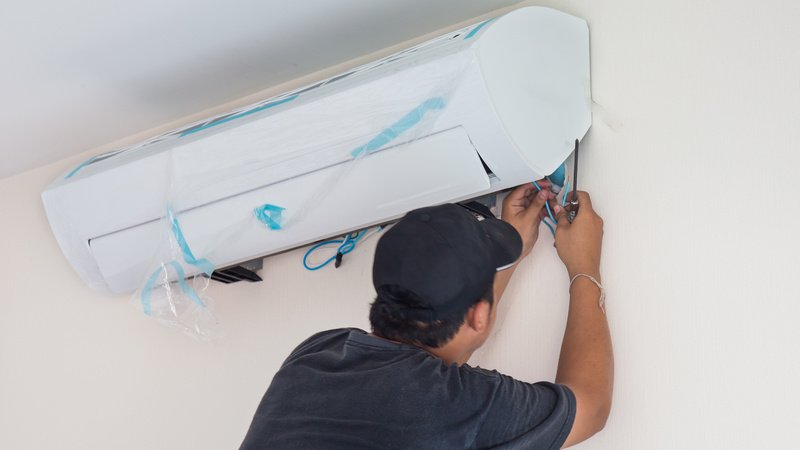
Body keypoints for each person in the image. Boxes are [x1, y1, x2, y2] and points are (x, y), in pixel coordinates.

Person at [240, 182, 613, 449]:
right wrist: (584, 265)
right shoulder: (459, 404)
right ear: (478, 317)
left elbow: (427, 369)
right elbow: (590, 407)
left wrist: (496, 261)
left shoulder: (316, 356)